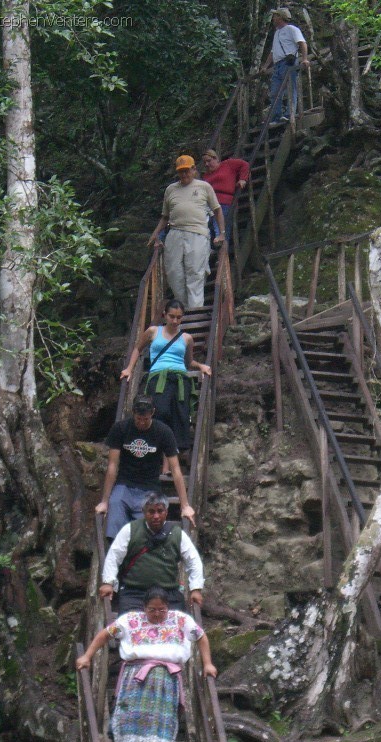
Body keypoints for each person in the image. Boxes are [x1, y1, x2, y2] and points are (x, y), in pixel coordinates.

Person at [76, 586, 217, 742]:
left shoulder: (180, 619)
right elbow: (105, 635)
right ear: (144, 608)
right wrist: (87, 656)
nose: (157, 614)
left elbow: (201, 637)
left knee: (161, 726)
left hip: (166, 681)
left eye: (162, 610)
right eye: (152, 610)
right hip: (135, 678)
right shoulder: (131, 620)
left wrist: (207, 663)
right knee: (128, 718)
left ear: (168, 607)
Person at [119, 299, 211, 459]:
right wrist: (129, 369)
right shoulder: (153, 331)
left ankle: (172, 454)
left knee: (180, 414)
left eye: (179, 317)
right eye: (172, 316)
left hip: (180, 379)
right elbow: (137, 349)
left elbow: (189, 362)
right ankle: (157, 448)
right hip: (158, 377)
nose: (175, 321)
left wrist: (201, 366)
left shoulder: (187, 338)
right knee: (160, 411)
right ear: (164, 315)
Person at [95, 395, 196, 540]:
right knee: (115, 507)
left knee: (145, 532)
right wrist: (104, 501)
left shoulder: (163, 432)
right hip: (124, 484)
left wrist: (185, 505)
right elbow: (112, 466)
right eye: (138, 419)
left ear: (152, 413)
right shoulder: (121, 428)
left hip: (149, 487)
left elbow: (175, 470)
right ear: (133, 414)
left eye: (145, 419)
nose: (142, 422)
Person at [99, 491, 204, 613]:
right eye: (151, 512)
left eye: (160, 511)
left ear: (166, 512)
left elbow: (193, 560)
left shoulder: (177, 534)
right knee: (128, 628)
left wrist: (195, 589)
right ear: (144, 512)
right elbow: (114, 556)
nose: (156, 516)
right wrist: (108, 583)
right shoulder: (130, 530)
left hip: (168, 593)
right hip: (134, 593)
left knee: (177, 628)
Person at [147, 155, 226, 310]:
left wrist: (221, 233)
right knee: (173, 272)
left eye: (187, 170)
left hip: (198, 233)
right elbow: (165, 216)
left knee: (195, 272)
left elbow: (217, 210)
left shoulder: (204, 187)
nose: (184, 174)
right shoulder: (171, 189)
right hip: (175, 233)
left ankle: (195, 311)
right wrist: (155, 234)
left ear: (194, 169)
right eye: (181, 171)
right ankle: (182, 309)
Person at [262, 8, 310, 125]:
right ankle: (277, 116)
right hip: (278, 65)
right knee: (275, 91)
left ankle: (290, 114)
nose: (273, 19)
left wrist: (304, 59)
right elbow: (273, 52)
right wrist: (265, 66)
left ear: (280, 17)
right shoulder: (277, 33)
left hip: (288, 63)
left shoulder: (292, 29)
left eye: (275, 16)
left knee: (291, 88)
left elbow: (302, 43)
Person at [202, 150, 249, 244]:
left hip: (223, 203)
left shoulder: (227, 164)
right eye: (204, 162)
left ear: (216, 158)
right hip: (208, 206)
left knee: (220, 232)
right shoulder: (206, 176)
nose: (206, 164)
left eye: (209, 161)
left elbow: (245, 165)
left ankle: (222, 255)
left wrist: (242, 179)